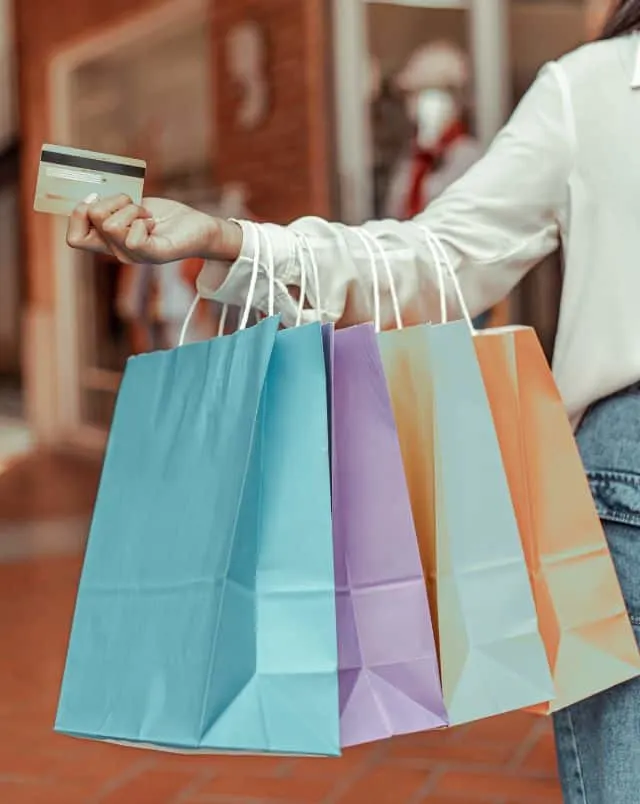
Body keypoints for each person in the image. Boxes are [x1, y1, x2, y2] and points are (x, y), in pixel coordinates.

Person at [66, 3, 640, 801]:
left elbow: (435, 258)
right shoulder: (598, 85)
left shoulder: (603, 83)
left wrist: (241, 241)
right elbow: (436, 257)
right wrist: (237, 241)